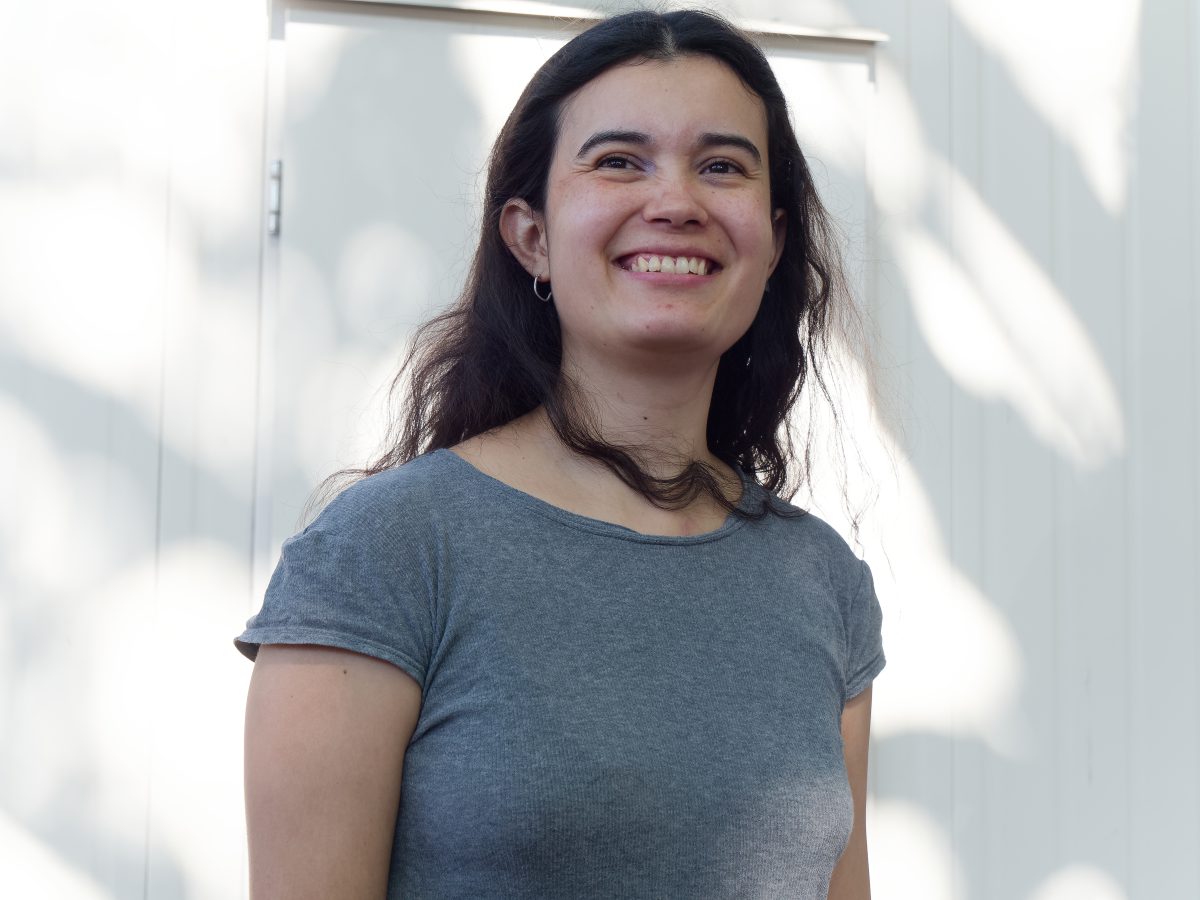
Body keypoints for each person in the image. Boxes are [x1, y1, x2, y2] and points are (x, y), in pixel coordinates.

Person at [236, 9, 885, 899]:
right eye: (619, 161)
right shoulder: (385, 555)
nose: (677, 202)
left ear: (772, 243)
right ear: (530, 236)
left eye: (722, 166)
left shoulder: (826, 582)